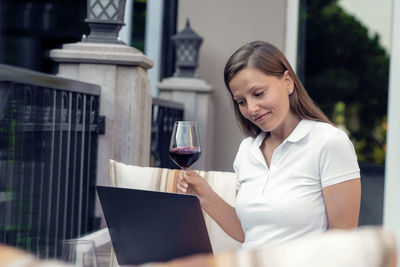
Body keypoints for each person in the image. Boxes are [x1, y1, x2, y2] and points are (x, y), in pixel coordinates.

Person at [177, 41, 361, 249]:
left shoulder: (328, 143)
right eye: (241, 101)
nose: (251, 109)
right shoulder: (247, 150)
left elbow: (343, 239)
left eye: (258, 93)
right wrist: (204, 194)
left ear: (287, 81)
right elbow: (246, 231)